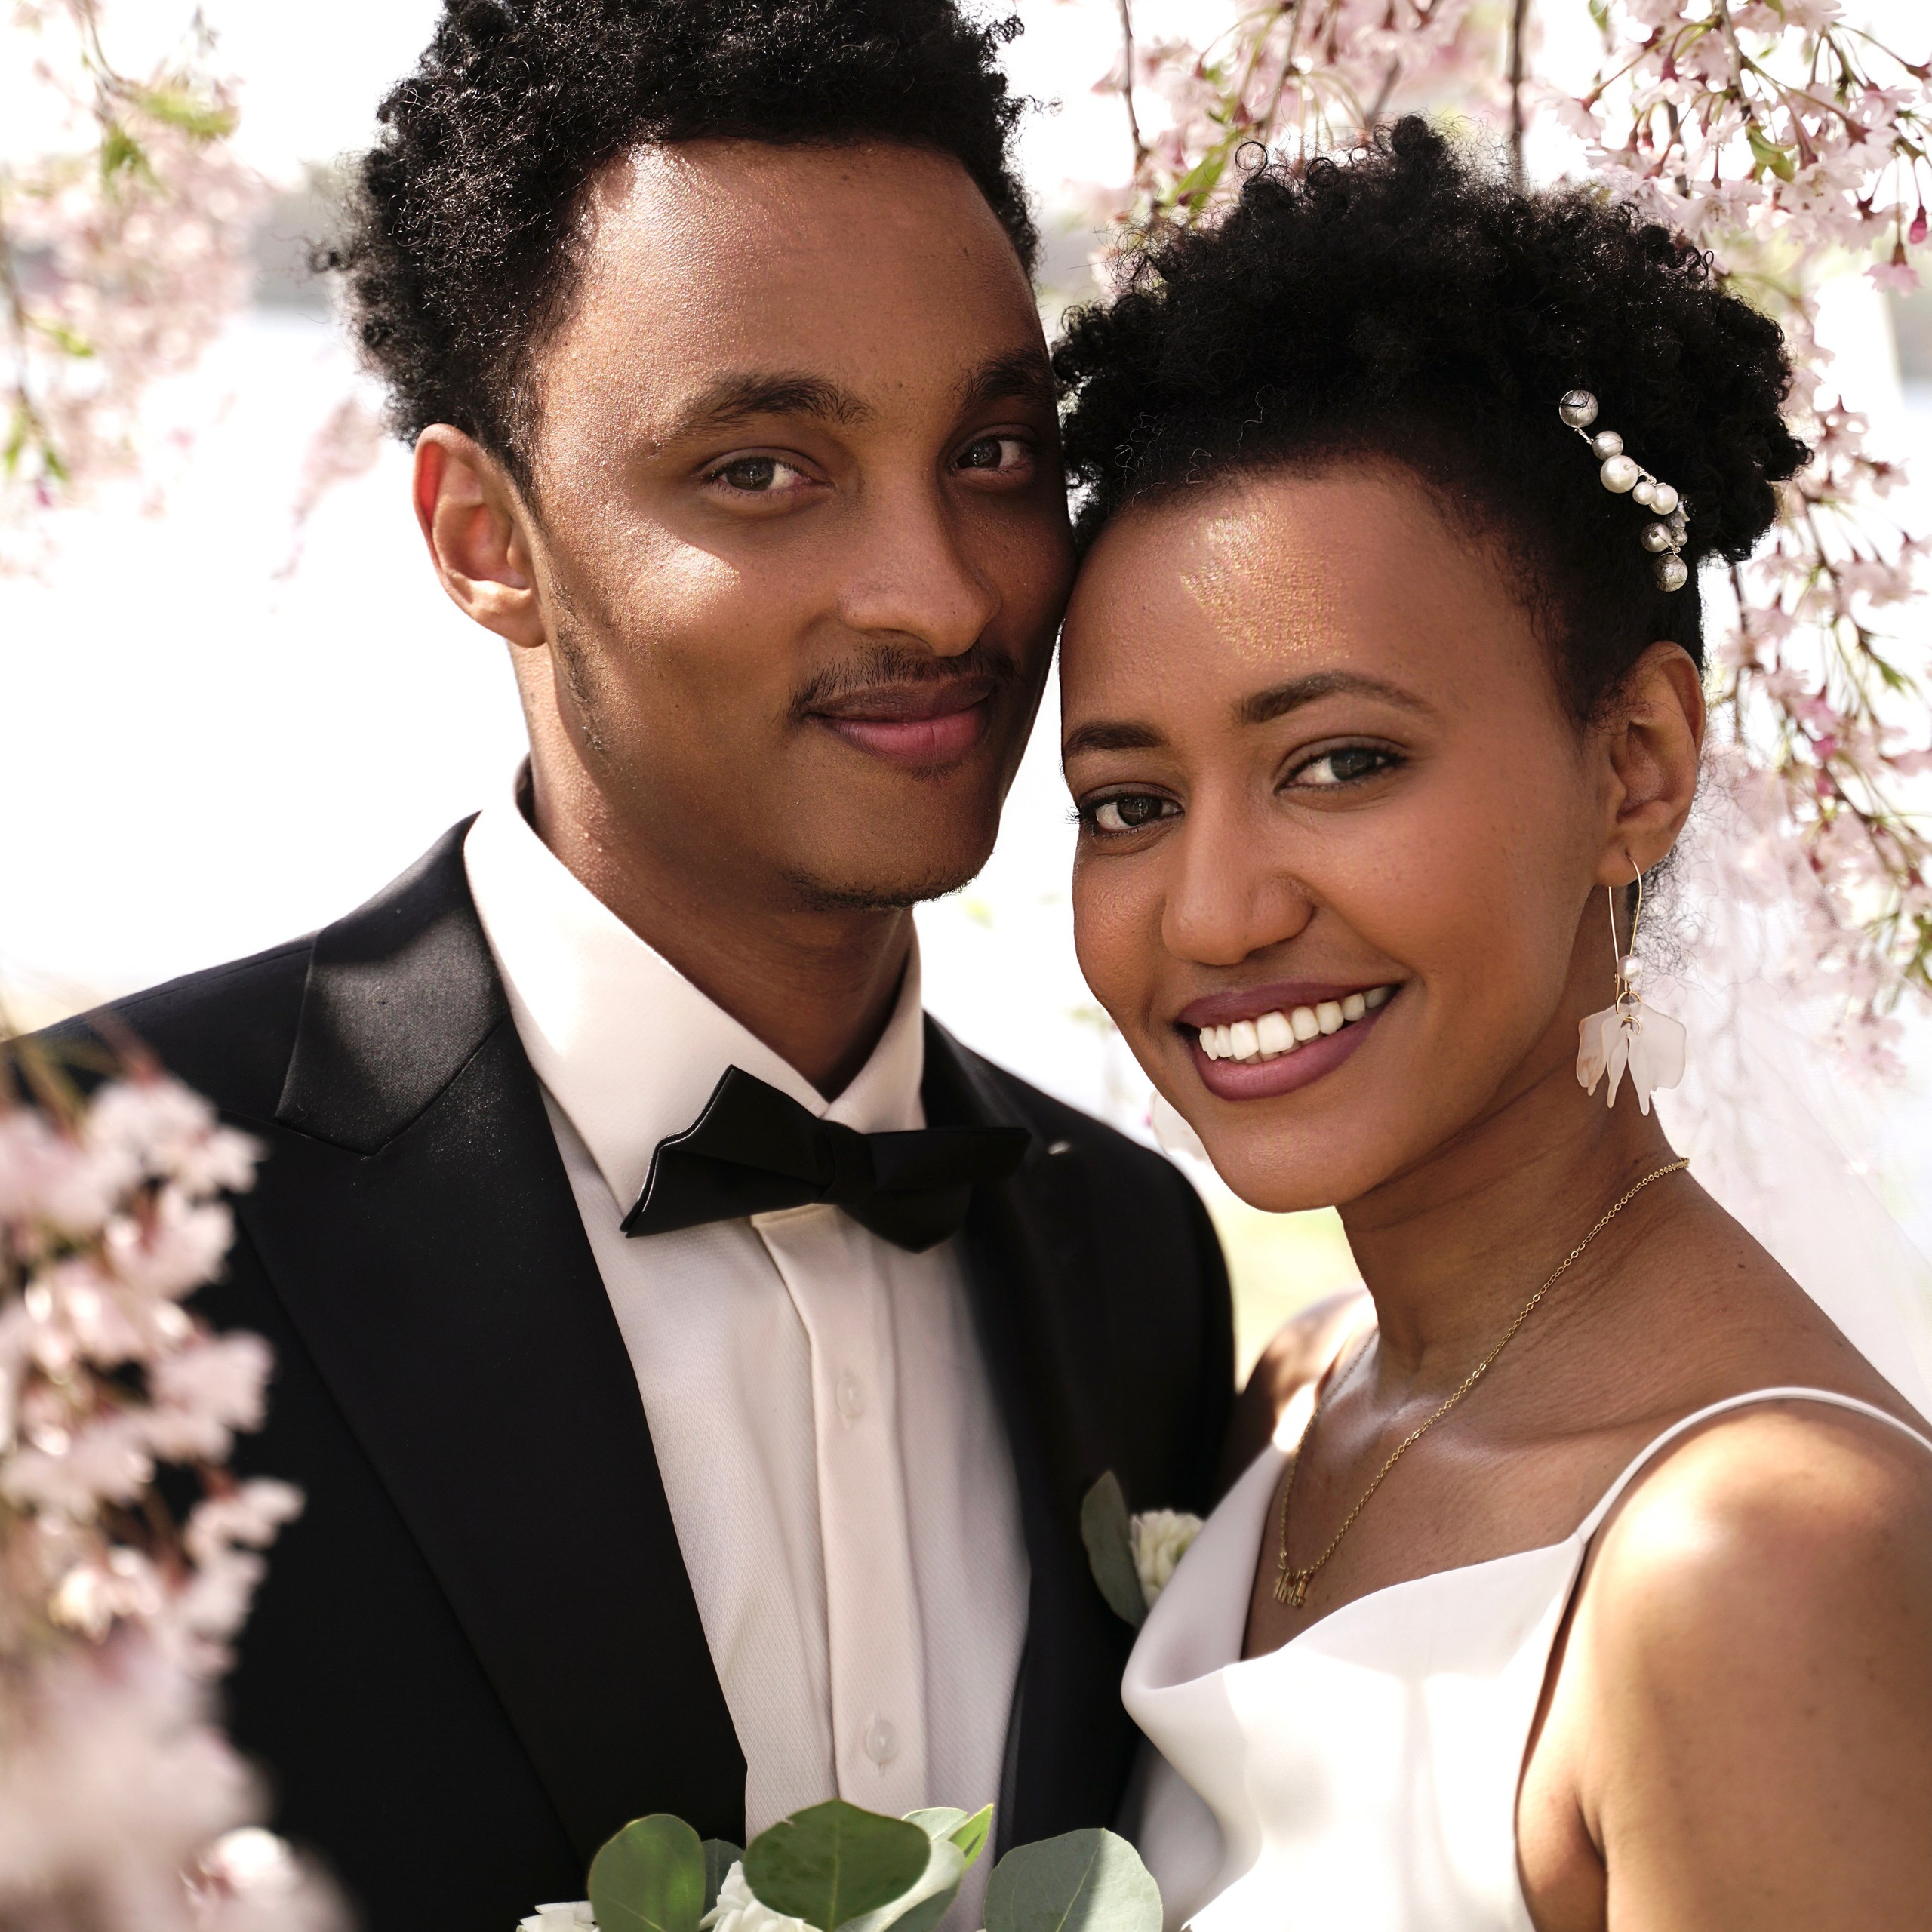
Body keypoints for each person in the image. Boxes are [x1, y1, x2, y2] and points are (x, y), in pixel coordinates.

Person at [45, 5, 1235, 1925]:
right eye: (762, 469)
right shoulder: (87, 1221)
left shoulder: (1141, 1265)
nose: (940, 592)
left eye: (997, 450)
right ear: (483, 535)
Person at [1053, 120, 1932, 1929]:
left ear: (1635, 765)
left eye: (1342, 762)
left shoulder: (1747, 1556)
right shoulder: (1291, 1403)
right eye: (1126, 801)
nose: (1213, 911)